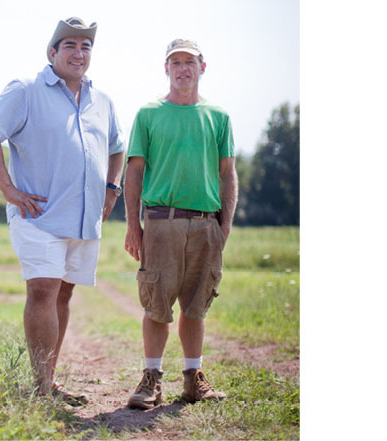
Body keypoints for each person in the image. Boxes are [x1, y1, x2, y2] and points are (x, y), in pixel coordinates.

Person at [0, 17, 125, 406]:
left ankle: (48, 382)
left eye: (85, 46)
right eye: (70, 45)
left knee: (63, 294)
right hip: (37, 215)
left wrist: (111, 188)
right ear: (52, 53)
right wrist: (8, 189)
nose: (79, 53)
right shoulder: (25, 89)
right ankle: (40, 390)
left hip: (83, 217)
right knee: (42, 288)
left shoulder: (102, 100)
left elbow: (117, 147)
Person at [123, 39, 238, 409]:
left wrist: (225, 225)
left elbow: (228, 174)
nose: (183, 68)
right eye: (176, 62)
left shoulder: (218, 117)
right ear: (166, 69)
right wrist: (132, 225)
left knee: (196, 306)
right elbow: (134, 173)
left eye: (190, 61)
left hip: (206, 225)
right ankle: (151, 380)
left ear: (202, 68)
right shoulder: (149, 114)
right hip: (161, 221)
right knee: (157, 304)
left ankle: (193, 379)